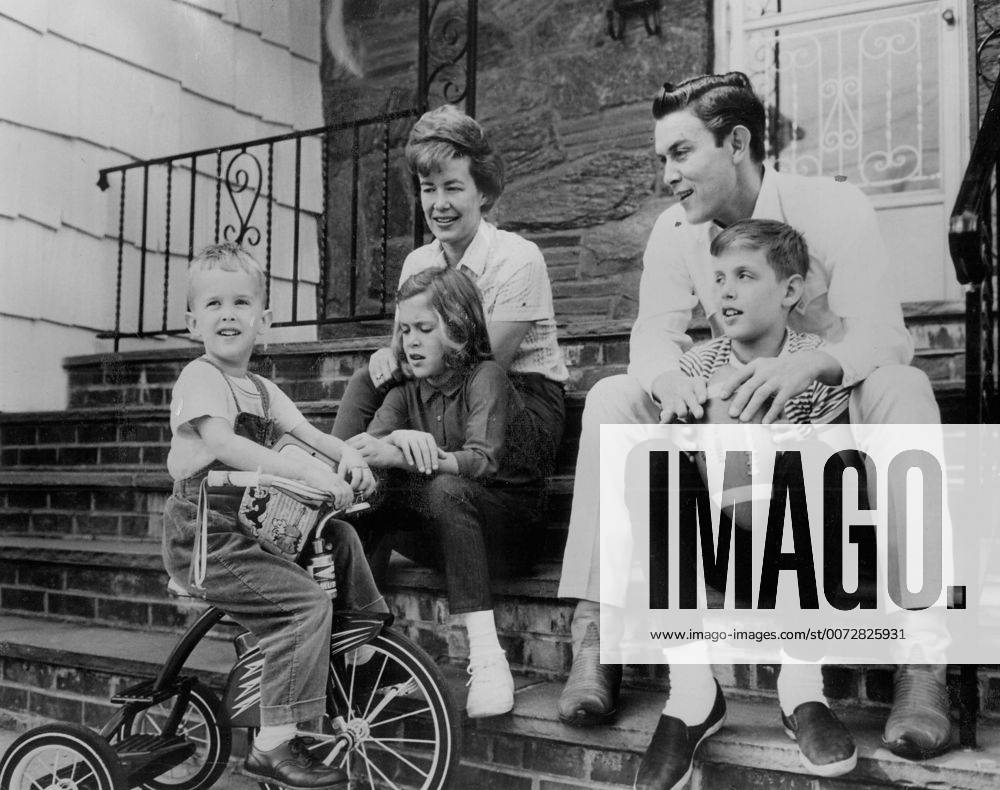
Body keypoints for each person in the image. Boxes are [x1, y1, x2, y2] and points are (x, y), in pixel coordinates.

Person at [556, 72, 952, 786]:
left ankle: (923, 661)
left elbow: (886, 337)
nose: (668, 176)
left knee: (907, 387)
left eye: (680, 153)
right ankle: (599, 635)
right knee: (613, 397)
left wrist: (814, 367)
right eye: (661, 160)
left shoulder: (832, 208)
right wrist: (666, 380)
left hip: (833, 408)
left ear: (736, 142)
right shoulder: (676, 232)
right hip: (728, 420)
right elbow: (652, 333)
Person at [634, 219, 859, 789]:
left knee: (829, 464)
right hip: (721, 545)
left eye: (744, 276)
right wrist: (692, 416)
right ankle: (690, 694)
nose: (725, 290)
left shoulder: (812, 366)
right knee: (655, 461)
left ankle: (802, 692)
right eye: (718, 278)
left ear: (789, 291)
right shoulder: (698, 366)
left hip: (795, 551)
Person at [161, 242, 386, 790]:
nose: (228, 314)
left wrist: (348, 456)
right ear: (194, 323)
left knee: (340, 535)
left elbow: (311, 436)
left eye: (241, 303)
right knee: (302, 605)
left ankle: (357, 639)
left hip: (252, 524)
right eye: (213, 305)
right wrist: (308, 476)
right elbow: (226, 445)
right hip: (207, 536)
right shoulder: (200, 377)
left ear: (264, 319)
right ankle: (271, 747)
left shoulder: (262, 390)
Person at [346, 266, 547, 719]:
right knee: (370, 495)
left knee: (446, 487)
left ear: (456, 329)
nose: (411, 341)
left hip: (509, 535)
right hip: (449, 535)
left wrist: (416, 454)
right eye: (404, 330)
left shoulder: (485, 376)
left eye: (424, 328)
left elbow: (482, 460)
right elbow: (365, 453)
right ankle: (360, 648)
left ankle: (488, 658)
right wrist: (394, 444)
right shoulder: (407, 393)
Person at [332, 103, 567, 475]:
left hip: (517, 399)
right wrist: (387, 357)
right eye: (429, 189)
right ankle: (329, 478)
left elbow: (481, 365)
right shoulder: (418, 263)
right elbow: (409, 352)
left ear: (484, 193)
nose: (439, 205)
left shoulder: (519, 258)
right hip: (441, 392)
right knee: (367, 379)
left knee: (424, 394)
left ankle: (367, 468)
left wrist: (396, 434)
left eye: (453, 188)